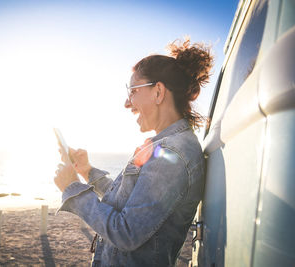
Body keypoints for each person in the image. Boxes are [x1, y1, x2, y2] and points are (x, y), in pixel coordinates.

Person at [54, 38, 213, 267]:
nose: (127, 103)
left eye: (133, 91)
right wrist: (87, 171)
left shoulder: (171, 154)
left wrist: (73, 190)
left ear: (158, 92)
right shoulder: (167, 145)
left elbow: (127, 232)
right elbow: (130, 204)